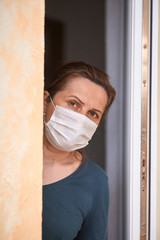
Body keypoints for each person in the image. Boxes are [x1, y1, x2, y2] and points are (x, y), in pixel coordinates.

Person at [42, 61, 116, 240]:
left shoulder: (95, 182)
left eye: (93, 114)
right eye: (73, 103)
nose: (79, 119)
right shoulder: (7, 158)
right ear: (45, 101)